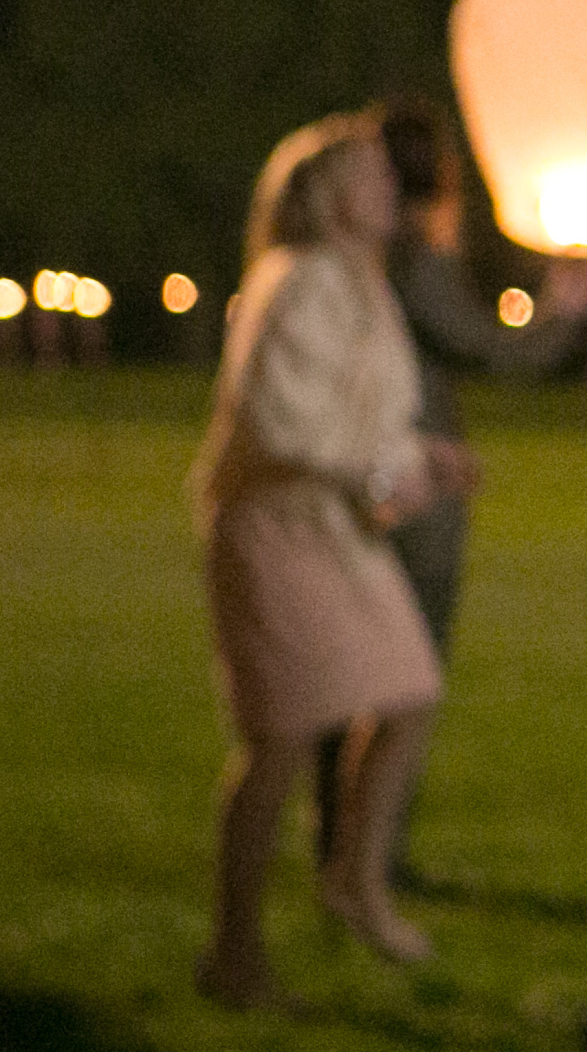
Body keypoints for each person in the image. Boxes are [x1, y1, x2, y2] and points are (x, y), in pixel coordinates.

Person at [188, 112, 471, 1007]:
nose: (391, 187)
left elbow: (366, 415)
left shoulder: (364, 283)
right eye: (370, 175)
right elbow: (283, 423)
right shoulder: (299, 280)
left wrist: (421, 456)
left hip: (340, 528)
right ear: (321, 194)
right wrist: (389, 470)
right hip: (276, 527)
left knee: (408, 692)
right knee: (279, 740)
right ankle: (234, 952)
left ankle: (355, 878)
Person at [314, 104, 587, 886]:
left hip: (369, 478)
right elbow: (489, 350)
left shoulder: (354, 258)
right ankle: (369, 854)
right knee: (403, 675)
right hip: (410, 491)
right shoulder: (412, 262)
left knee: (355, 672)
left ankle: (342, 842)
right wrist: (565, 308)